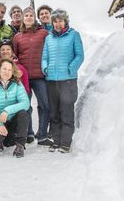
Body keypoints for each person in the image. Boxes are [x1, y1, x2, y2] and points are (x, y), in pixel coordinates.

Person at [41, 9, 84, 153]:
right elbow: (44, 57)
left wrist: (71, 69)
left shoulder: (74, 35)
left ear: (65, 21)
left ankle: (65, 143)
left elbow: (79, 56)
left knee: (66, 111)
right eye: (55, 21)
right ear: (52, 23)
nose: (57, 23)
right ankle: (56, 140)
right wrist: (45, 68)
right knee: (54, 112)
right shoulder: (48, 38)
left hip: (68, 81)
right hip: (51, 80)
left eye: (60, 20)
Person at [13, 6, 53, 146]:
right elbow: (15, 57)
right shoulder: (18, 36)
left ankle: (42, 135)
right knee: (25, 106)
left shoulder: (43, 33)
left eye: (30, 15)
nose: (28, 18)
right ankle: (28, 133)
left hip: (40, 76)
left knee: (45, 105)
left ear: (34, 18)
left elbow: (49, 51)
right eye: (26, 16)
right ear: (23, 19)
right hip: (24, 78)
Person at [0, 39, 34, 143]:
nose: (5, 51)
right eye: (2, 49)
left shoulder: (21, 69)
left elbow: (26, 93)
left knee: (25, 110)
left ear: (12, 52)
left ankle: (25, 135)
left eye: (8, 49)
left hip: (15, 110)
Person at [0, 58, 30, 158]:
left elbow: (26, 103)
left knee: (24, 113)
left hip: (13, 122)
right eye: (4, 69)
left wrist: (7, 110)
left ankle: (20, 145)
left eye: (9, 70)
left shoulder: (17, 84)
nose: (7, 72)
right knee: (1, 138)